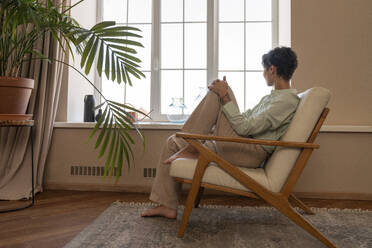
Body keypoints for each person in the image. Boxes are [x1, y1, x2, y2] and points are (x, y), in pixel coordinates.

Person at [141, 47, 300, 219]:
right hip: (240, 145)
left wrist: (225, 96)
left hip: (248, 152)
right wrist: (224, 98)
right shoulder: (273, 97)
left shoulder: (285, 101)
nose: (264, 74)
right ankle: (167, 205)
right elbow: (245, 119)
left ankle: (190, 140)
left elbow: (245, 128)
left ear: (272, 69)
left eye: (265, 69)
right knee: (172, 142)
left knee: (220, 92)